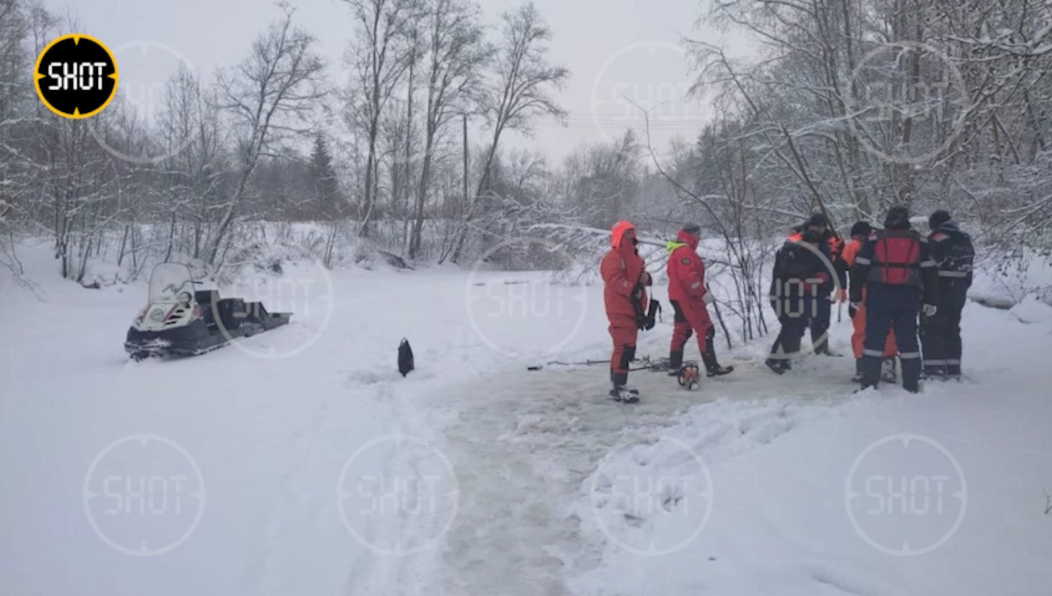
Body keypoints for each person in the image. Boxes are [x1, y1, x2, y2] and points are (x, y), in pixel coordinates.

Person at [849, 205, 939, 393]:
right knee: (908, 342)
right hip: (908, 297)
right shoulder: (920, 241)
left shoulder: (874, 240)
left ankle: (869, 384)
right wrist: (931, 300)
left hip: (878, 296)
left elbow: (858, 269)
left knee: (873, 341)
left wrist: (855, 296)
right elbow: (931, 273)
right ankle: (911, 385)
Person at [665, 223, 734, 378]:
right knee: (705, 330)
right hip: (689, 298)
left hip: (677, 296)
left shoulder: (677, 250)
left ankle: (674, 366)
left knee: (682, 329)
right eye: (698, 234)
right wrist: (702, 293)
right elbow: (688, 277)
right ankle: (712, 367)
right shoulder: (684, 251)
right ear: (691, 235)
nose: (700, 237)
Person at [766, 218, 832, 374]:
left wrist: (820, 277)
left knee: (794, 325)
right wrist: (809, 282)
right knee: (791, 326)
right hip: (785, 295)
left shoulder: (805, 254)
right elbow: (790, 275)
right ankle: (776, 358)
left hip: (793, 295)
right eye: (815, 245)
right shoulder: (794, 252)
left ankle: (782, 359)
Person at [600, 220, 652, 401]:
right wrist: (633, 289)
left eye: (632, 232)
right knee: (623, 348)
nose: (631, 235)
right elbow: (613, 280)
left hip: (633, 310)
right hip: (619, 308)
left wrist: (646, 279)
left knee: (628, 348)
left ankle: (620, 384)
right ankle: (618, 387)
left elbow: (639, 276)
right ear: (620, 236)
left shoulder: (635, 257)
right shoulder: (613, 257)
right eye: (627, 233)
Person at [921, 210, 975, 380]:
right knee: (952, 326)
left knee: (931, 326)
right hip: (959, 289)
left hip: (939, 288)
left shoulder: (936, 239)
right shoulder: (965, 240)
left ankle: (934, 368)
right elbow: (969, 267)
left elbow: (928, 266)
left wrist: (924, 291)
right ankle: (953, 367)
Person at [841, 221, 898, 382]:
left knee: (861, 329)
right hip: (885, 290)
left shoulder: (853, 246)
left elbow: (841, 265)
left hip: (862, 291)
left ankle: (862, 367)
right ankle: (889, 365)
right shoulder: (883, 244)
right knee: (887, 328)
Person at [788, 213, 847, 355]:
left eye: (821, 226)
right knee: (798, 321)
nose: (818, 229)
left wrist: (841, 286)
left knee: (821, 320)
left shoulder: (832, 241)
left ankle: (821, 351)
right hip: (801, 287)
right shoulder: (798, 238)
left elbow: (838, 265)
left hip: (823, 287)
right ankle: (792, 350)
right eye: (815, 226)